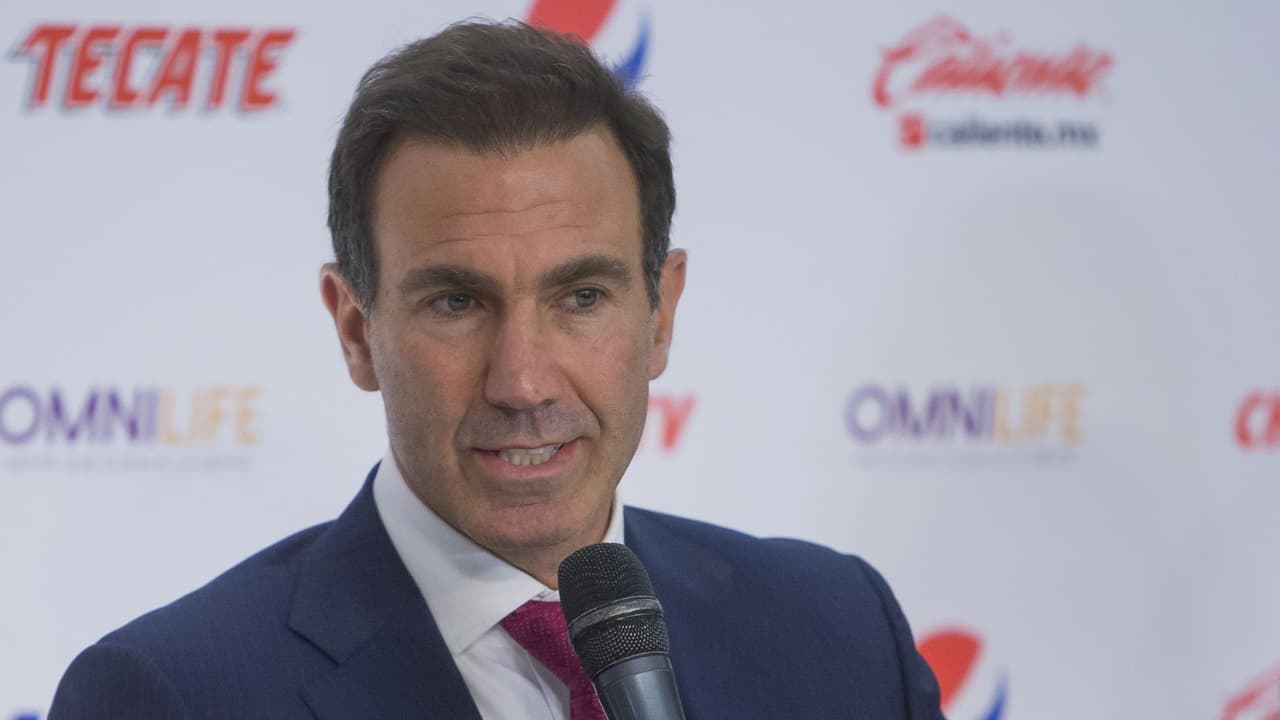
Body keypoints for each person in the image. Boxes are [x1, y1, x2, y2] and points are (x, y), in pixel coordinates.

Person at [49, 20, 943, 719]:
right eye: (456, 303)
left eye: (582, 297)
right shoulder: (170, 694)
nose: (523, 383)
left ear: (661, 313)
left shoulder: (840, 631)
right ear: (355, 330)